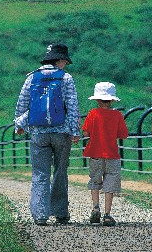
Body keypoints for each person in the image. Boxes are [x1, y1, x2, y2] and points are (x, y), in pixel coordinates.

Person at [14, 44, 81, 226]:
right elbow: (72, 107)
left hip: (38, 133)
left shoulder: (31, 78)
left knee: (40, 173)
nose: (65, 65)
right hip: (61, 132)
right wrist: (75, 131)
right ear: (59, 60)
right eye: (65, 61)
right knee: (60, 172)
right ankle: (60, 213)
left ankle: (41, 215)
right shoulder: (66, 78)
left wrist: (19, 125)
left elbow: (22, 104)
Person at [82, 82, 129, 226]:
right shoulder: (117, 115)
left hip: (95, 153)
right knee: (110, 184)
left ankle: (95, 208)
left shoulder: (92, 114)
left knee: (95, 181)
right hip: (112, 154)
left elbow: (85, 132)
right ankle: (107, 215)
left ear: (97, 99)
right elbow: (123, 134)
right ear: (112, 100)